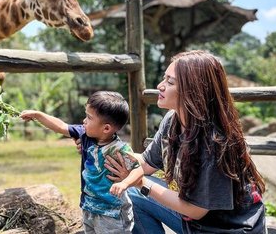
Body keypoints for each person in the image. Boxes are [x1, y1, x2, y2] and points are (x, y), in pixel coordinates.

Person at [104, 50, 266, 234]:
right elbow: (147, 163)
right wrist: (103, 147)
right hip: (196, 223)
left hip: (228, 229)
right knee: (132, 194)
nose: (160, 86)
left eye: (170, 82)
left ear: (193, 90)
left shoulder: (214, 142)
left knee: (137, 190)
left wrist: (141, 183)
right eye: (164, 79)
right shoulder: (173, 120)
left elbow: (195, 210)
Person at [20, 91, 139, 234]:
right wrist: (38, 115)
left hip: (112, 213)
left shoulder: (119, 149)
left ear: (106, 128)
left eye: (89, 117)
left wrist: (124, 183)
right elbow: (61, 126)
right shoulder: (85, 135)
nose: (84, 121)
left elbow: (138, 170)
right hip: (89, 207)